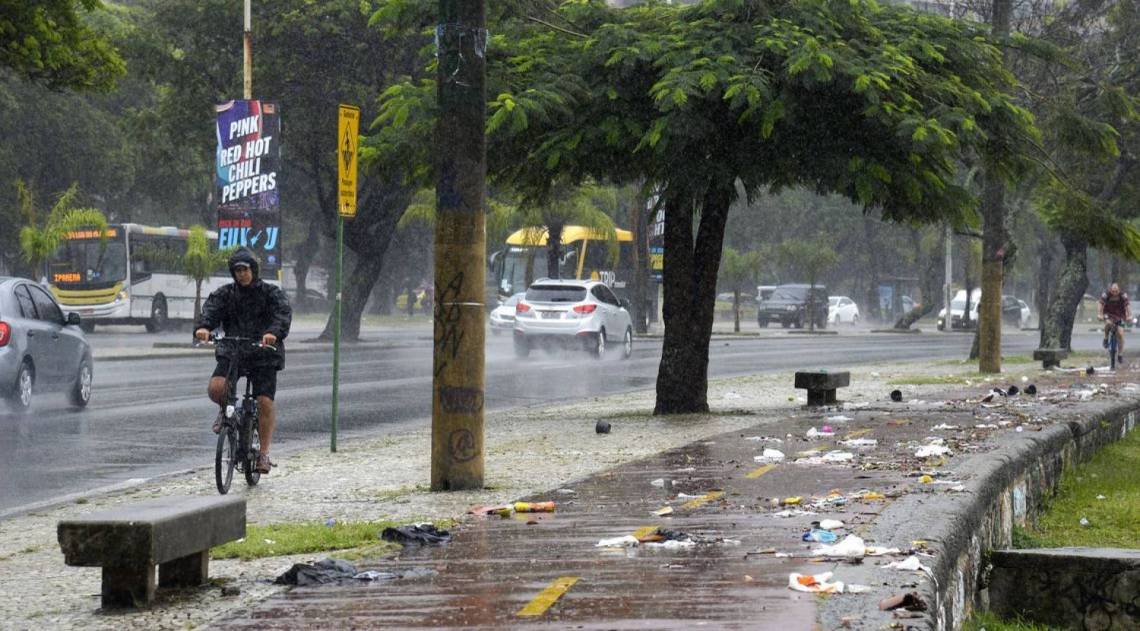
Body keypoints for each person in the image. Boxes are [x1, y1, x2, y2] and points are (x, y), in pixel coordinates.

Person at [194, 247, 292, 474]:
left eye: (245, 269)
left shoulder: (270, 293)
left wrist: (273, 333)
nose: (241, 274)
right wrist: (203, 327)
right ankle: (226, 412)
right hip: (233, 350)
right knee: (217, 388)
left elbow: (282, 313)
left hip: (263, 353)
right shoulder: (225, 294)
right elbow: (210, 311)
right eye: (237, 270)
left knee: (264, 402)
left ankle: (264, 454)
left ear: (253, 270)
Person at [1097, 283, 1132, 364]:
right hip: (1108, 314)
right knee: (1108, 323)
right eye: (1113, 291)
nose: (1114, 293)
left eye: (1116, 291)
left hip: (1120, 315)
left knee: (1120, 333)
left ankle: (1120, 354)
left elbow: (1127, 305)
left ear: (1119, 290)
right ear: (1110, 290)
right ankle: (1105, 338)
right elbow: (1100, 303)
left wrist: (1129, 315)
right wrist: (1099, 314)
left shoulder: (1123, 295)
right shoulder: (1106, 294)